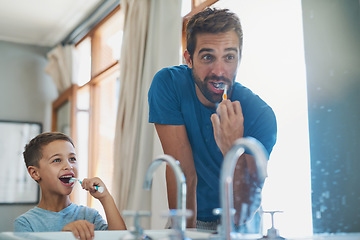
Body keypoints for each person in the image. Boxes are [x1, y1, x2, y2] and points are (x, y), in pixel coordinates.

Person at [148, 8, 277, 232]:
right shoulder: (168, 84)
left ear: (239, 58)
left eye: (229, 57)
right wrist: (185, 235)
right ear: (189, 58)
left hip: (240, 225)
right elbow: (184, 174)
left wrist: (233, 148)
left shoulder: (261, 116)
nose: (219, 71)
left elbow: (243, 213)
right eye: (208, 57)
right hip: (191, 218)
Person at [14, 132, 126, 240]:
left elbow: (121, 238)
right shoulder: (26, 223)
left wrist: (105, 197)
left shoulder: (90, 216)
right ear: (35, 173)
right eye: (57, 160)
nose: (69, 166)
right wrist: (64, 237)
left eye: (72, 159)